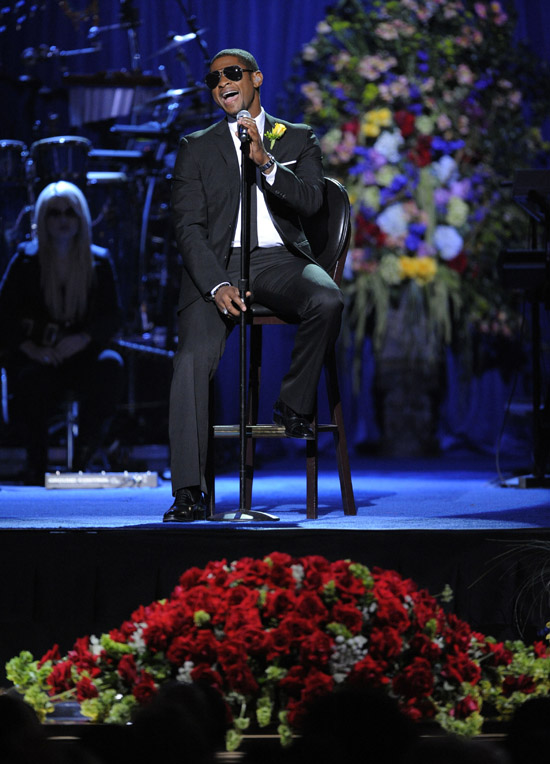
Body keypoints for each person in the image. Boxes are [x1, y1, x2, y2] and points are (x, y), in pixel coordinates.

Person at [166, 48, 344, 522]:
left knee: (327, 299)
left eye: (232, 73)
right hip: (217, 267)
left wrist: (266, 162)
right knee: (189, 361)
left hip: (278, 260)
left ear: (256, 78)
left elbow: (310, 202)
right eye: (214, 79)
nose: (222, 82)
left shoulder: (297, 137)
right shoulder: (196, 146)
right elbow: (187, 228)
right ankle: (188, 491)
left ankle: (292, 405)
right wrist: (215, 283)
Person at [0, 180, 124, 484]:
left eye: (70, 212)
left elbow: (113, 316)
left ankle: (84, 454)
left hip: (82, 356)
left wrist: (83, 339)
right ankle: (36, 465)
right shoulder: (25, 259)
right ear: (43, 218)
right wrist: (31, 348)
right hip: (39, 356)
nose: (63, 219)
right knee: (30, 381)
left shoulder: (100, 261)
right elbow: (4, 315)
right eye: (54, 213)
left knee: (110, 366)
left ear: (81, 217)